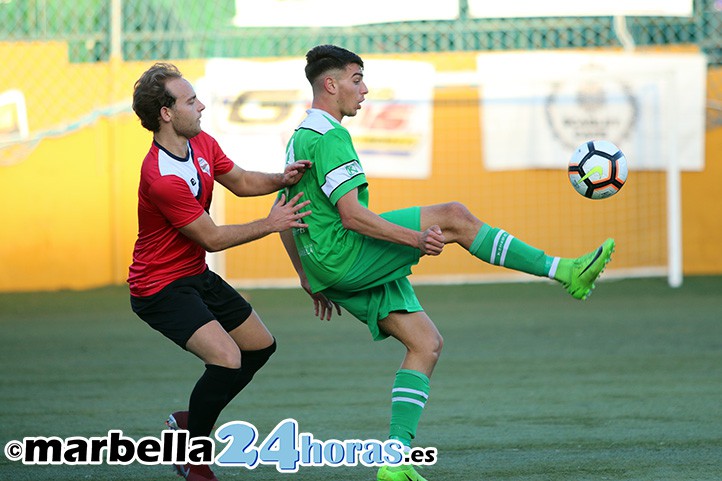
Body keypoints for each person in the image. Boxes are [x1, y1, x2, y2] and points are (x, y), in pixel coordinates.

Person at [279, 45, 615, 481]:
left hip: (327, 264)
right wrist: (416, 239)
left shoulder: (299, 135)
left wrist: (307, 276)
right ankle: (565, 271)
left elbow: (284, 213)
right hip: (345, 253)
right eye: (357, 79)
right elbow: (353, 216)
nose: (365, 89)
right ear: (331, 84)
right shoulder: (330, 136)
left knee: (425, 343)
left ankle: (394, 463)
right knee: (454, 216)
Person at [128, 62, 311, 481]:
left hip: (194, 276)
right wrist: (272, 223)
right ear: (167, 113)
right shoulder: (160, 176)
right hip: (159, 287)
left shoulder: (202, 143)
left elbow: (243, 181)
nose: (202, 105)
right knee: (227, 358)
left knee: (260, 346)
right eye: (191, 101)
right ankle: (194, 455)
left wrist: (280, 178)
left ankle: (187, 422)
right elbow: (211, 237)